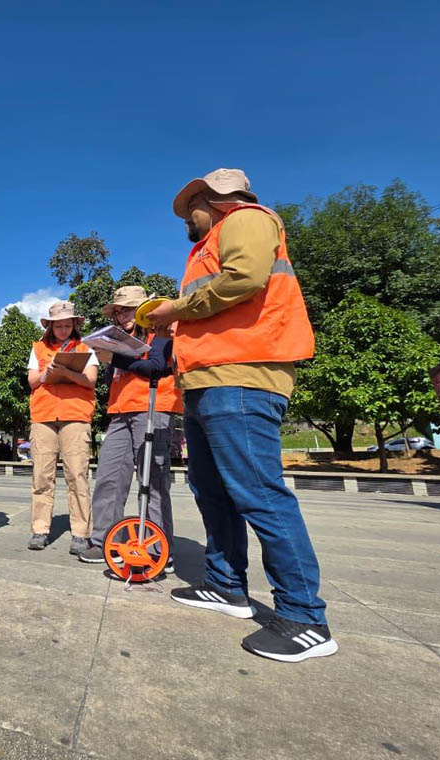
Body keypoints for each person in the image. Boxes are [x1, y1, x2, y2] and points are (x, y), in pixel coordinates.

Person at [146, 168, 338, 662]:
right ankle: (226, 585)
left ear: (209, 199)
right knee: (212, 490)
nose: (185, 219)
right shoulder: (211, 240)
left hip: (242, 378)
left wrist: (176, 310)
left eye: (189, 208)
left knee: (258, 492)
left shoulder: (247, 219)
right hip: (209, 380)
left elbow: (246, 278)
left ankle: (304, 617)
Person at [76, 287, 180, 572]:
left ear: (143, 310)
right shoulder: (117, 339)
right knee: (109, 477)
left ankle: (157, 548)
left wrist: (116, 359)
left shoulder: (159, 332)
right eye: (118, 311)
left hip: (154, 408)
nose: (122, 316)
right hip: (120, 411)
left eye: (127, 309)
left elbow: (157, 367)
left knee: (153, 481)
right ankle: (106, 541)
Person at [26, 301, 98, 554]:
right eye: (59, 326)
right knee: (41, 475)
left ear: (75, 325)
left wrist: (67, 372)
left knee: (77, 475)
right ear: (51, 326)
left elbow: (91, 380)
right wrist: (48, 372)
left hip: (76, 415)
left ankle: (80, 533)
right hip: (43, 416)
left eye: (68, 325)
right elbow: (32, 380)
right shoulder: (38, 348)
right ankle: (40, 529)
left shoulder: (86, 347)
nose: (64, 329)